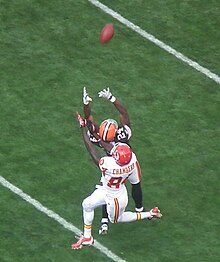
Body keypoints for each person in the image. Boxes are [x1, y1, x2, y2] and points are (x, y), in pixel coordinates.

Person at [71, 113, 162, 250]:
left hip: (116, 199)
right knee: (87, 204)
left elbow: (91, 149)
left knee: (117, 219)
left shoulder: (109, 164)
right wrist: (95, 134)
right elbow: (111, 149)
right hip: (109, 190)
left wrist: (83, 128)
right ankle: (87, 237)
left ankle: (149, 214)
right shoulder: (130, 160)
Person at [82, 87, 145, 235]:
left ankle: (105, 221)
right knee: (135, 183)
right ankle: (139, 209)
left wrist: (86, 105)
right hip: (129, 162)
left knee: (108, 188)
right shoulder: (123, 135)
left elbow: (89, 121)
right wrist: (112, 98)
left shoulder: (99, 138)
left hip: (111, 166)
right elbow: (124, 114)